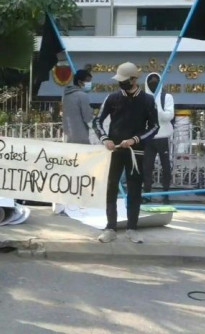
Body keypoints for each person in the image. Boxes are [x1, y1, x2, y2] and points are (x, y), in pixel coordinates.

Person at [93, 62, 159, 244]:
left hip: (135, 152)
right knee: (110, 188)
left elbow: (154, 126)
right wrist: (105, 139)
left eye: (124, 80)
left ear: (133, 79)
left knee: (135, 189)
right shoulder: (112, 98)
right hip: (113, 150)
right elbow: (97, 121)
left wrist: (135, 140)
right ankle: (110, 227)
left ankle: (132, 228)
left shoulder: (147, 100)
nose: (120, 83)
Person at [143, 73, 175, 204]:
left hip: (162, 138)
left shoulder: (167, 97)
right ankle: (147, 194)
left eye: (156, 82)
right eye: (151, 82)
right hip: (148, 138)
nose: (153, 84)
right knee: (147, 168)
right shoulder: (143, 97)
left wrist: (157, 106)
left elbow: (168, 116)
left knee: (166, 167)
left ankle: (166, 194)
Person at [62, 69, 94, 144]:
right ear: (80, 82)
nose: (89, 84)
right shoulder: (82, 95)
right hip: (82, 137)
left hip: (69, 136)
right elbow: (87, 118)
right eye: (88, 81)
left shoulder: (66, 96)